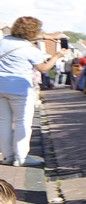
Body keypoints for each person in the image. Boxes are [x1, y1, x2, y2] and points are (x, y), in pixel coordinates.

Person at [1, 18, 64, 167]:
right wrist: (57, 56)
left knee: (3, 122)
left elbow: (24, 37)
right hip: (20, 88)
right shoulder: (31, 50)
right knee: (23, 122)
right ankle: (21, 157)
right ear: (33, 32)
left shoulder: (3, 41)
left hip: (0, 86)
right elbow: (44, 68)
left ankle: (7, 156)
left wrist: (47, 36)